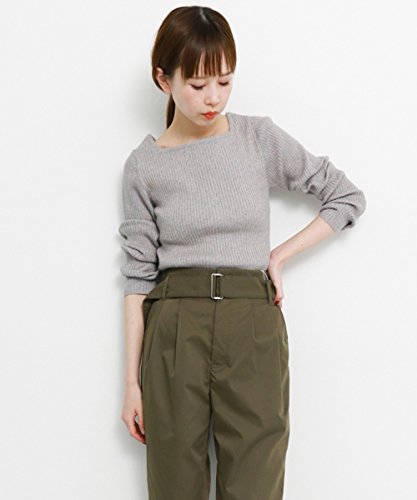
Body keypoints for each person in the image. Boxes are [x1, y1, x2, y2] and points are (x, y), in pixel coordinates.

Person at [118, 6, 366, 500]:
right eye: (198, 84)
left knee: (256, 485)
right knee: (174, 487)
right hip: (174, 328)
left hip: (252, 323)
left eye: (225, 81)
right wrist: (131, 385)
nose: (213, 98)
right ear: (164, 79)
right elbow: (138, 277)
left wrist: (279, 256)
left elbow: (345, 197)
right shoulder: (144, 166)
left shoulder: (257, 138)